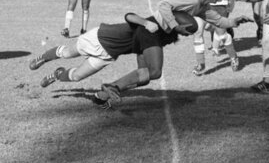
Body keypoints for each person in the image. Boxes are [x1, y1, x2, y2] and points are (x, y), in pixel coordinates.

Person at [29, 11, 196, 108]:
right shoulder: (154, 24)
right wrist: (145, 23)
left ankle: (57, 75)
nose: (189, 35)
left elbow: (143, 53)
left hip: (108, 55)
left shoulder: (166, 35)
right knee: (66, 53)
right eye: (188, 31)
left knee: (76, 76)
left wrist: (142, 75)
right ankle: (43, 58)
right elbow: (129, 16)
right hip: (99, 38)